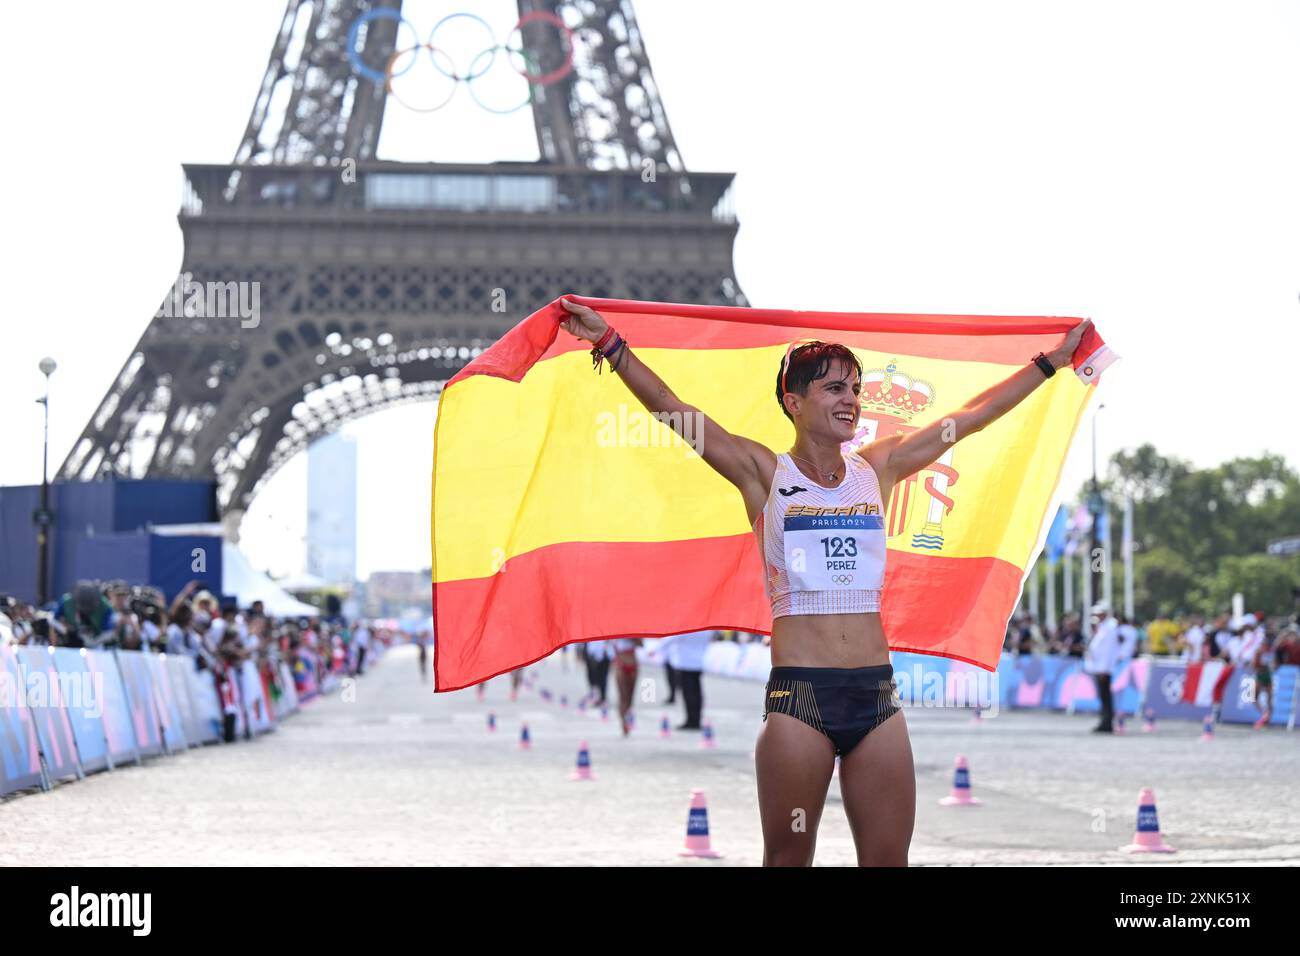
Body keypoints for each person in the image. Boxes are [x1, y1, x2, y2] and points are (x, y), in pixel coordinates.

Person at [559, 297, 1091, 866]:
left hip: (878, 700)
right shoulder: (763, 473)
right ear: (794, 401)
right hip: (800, 701)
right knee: (789, 860)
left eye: (856, 389)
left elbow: (969, 419)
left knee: (888, 862)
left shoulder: (878, 468)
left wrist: (1048, 364)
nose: (852, 401)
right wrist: (609, 344)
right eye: (835, 388)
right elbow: (675, 410)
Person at [663, 630, 713, 730]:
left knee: (688, 694)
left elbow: (672, 637)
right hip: (698, 663)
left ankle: (691, 720)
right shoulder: (706, 629)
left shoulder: (688, 628)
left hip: (685, 663)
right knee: (697, 692)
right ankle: (696, 719)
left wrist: (654, 649)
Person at [1084, 602, 1120, 733]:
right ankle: (1105, 721)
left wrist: (1103, 669)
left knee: (1105, 696)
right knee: (1103, 696)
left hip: (1103, 669)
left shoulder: (1110, 628)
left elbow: (1107, 651)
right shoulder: (1104, 627)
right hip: (1100, 668)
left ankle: (1107, 722)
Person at [611, 637, 641, 735]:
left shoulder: (634, 630)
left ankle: (628, 718)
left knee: (630, 697)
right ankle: (623, 722)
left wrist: (632, 637)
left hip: (633, 663)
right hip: (620, 663)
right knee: (622, 696)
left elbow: (641, 644)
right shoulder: (614, 629)